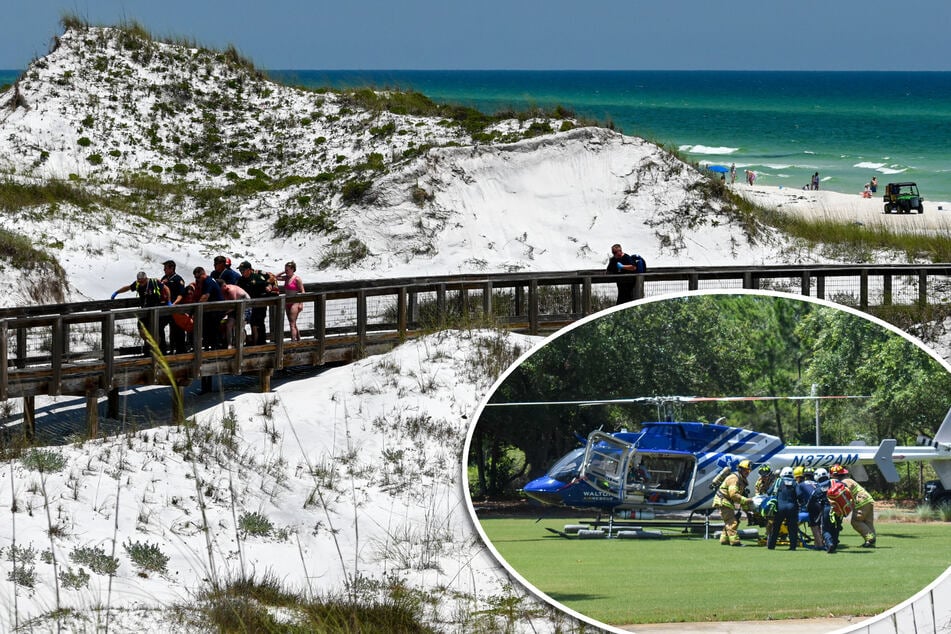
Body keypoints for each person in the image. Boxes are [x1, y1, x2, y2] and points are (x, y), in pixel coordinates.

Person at [111, 271, 170, 355]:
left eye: (142, 281)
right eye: (139, 281)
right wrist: (116, 293)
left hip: (156, 311)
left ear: (146, 279)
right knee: (142, 330)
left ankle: (160, 351)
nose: (141, 283)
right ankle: (151, 348)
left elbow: (166, 289)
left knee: (158, 331)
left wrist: (169, 301)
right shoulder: (137, 284)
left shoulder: (154, 282)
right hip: (144, 312)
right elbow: (128, 287)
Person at [830, 464, 876, 547]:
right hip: (868, 500)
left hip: (861, 502)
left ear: (836, 475)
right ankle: (870, 542)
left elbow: (842, 495)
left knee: (856, 521)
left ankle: (870, 539)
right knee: (867, 522)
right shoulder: (848, 479)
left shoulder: (844, 482)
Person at [713, 459, 754, 546]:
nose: (747, 472)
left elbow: (741, 496)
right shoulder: (734, 479)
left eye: (748, 470)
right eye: (745, 470)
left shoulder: (741, 479)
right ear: (740, 469)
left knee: (728, 521)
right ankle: (735, 542)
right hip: (723, 500)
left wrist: (748, 512)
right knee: (732, 522)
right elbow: (734, 495)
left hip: (726, 501)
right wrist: (748, 500)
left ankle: (724, 539)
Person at [236, 260, 277, 345]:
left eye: (243, 270)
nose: (241, 272)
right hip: (248, 305)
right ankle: (255, 342)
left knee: (259, 323)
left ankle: (261, 342)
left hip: (260, 304)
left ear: (249, 270)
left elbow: (267, 285)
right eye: (240, 270)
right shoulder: (241, 280)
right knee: (252, 323)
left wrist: (268, 287)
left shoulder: (257, 278)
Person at [766, 466, 799, 550]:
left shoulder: (778, 481)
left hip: (780, 508)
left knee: (776, 527)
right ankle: (792, 547)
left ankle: (771, 546)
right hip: (792, 508)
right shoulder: (795, 483)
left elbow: (769, 492)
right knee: (792, 528)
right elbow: (799, 494)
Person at [193, 267, 225, 350]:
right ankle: (209, 346)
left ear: (203, 274)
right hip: (211, 309)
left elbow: (205, 296)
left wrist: (196, 308)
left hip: (216, 309)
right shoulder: (205, 281)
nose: (197, 279)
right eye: (196, 278)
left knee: (213, 328)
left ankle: (215, 347)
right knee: (207, 327)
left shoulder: (208, 281)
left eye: (198, 277)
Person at [160, 260, 187, 354]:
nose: (164, 270)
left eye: (166, 268)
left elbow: (181, 295)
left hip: (176, 309)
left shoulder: (178, 279)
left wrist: (174, 304)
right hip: (165, 309)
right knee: (160, 327)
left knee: (178, 331)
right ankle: (164, 350)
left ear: (172, 268)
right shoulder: (164, 278)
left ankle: (181, 351)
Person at [794, 466, 824, 550]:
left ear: (804, 476)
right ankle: (819, 543)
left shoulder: (801, 485)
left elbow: (798, 496)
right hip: (822, 505)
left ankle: (819, 545)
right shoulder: (817, 484)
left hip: (812, 506)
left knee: (814, 526)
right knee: (819, 525)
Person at [812, 468, 841, 553]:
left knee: (825, 529)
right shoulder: (839, 483)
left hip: (827, 509)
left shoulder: (820, 486)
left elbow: (812, 499)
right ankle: (834, 545)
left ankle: (829, 543)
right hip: (839, 509)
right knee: (836, 527)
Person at [276, 261, 305, 341]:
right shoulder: (286, 277)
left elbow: (303, 291)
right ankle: (299, 340)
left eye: (288, 269)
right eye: (285, 269)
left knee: (292, 324)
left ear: (293, 269)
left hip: (295, 301)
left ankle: (293, 342)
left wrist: (301, 304)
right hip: (287, 301)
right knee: (293, 322)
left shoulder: (297, 279)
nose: (286, 271)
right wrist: (283, 272)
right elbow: (276, 277)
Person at [219, 282, 251, 348]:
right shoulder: (222, 291)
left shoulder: (231, 290)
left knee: (240, 325)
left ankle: (240, 345)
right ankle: (229, 344)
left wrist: (224, 313)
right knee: (229, 325)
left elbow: (233, 304)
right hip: (235, 307)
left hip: (245, 306)